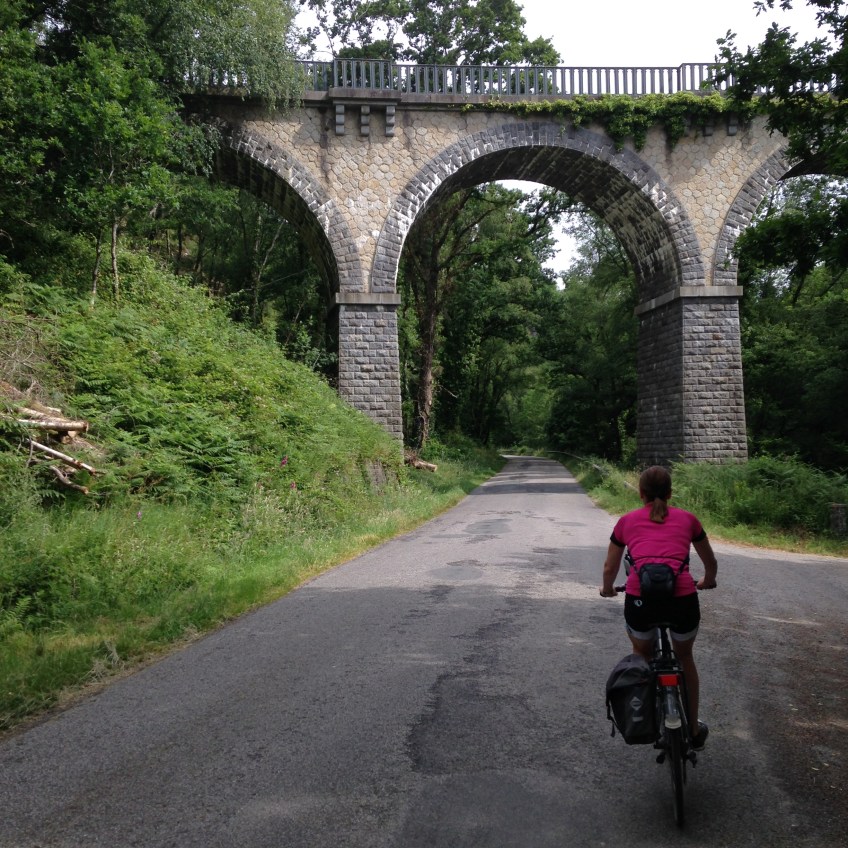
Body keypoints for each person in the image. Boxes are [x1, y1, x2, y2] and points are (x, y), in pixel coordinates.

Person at [600, 465, 718, 750]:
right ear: (670, 493)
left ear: (640, 493)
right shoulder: (689, 520)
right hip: (682, 600)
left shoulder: (626, 522)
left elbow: (610, 566)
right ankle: (691, 728)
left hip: (641, 602)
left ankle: (646, 719)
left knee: (641, 653)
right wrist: (708, 581)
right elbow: (710, 561)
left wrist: (607, 588)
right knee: (685, 657)